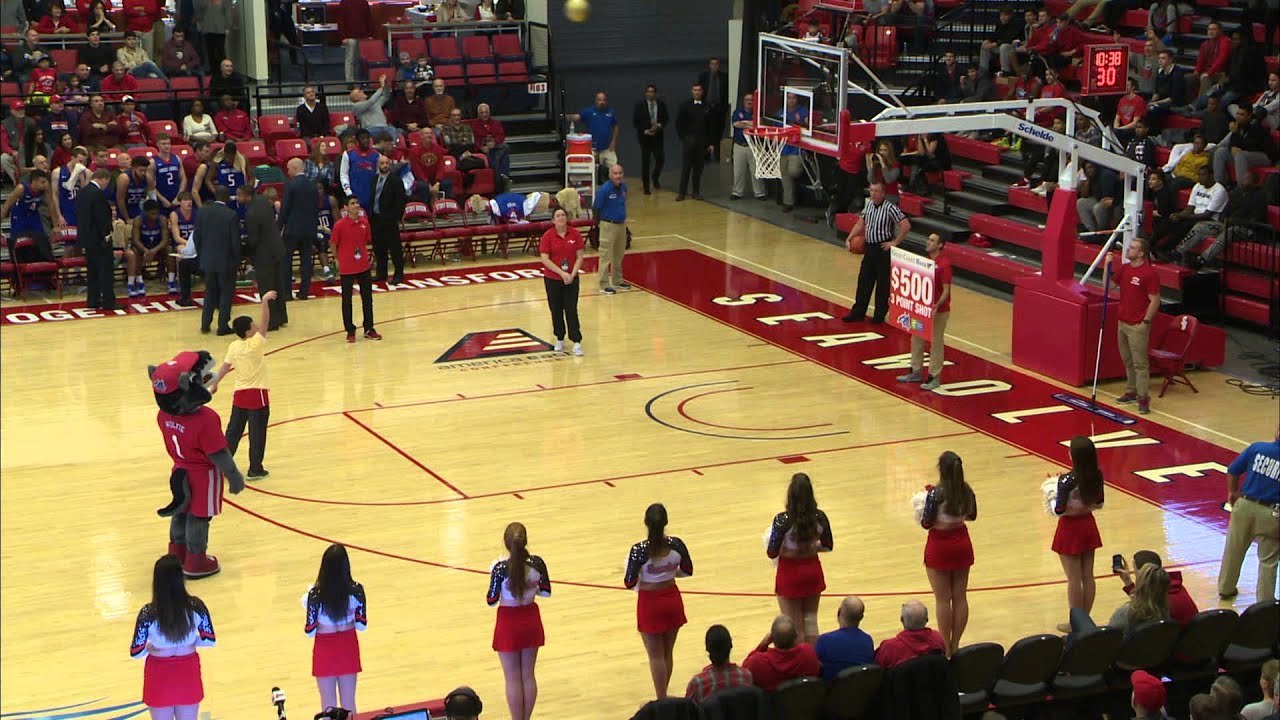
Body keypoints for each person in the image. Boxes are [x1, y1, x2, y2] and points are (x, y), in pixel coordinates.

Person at [130, 555, 217, 718]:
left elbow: (136, 652)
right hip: (188, 672)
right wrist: (191, 642)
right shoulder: (196, 606)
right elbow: (210, 640)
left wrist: (151, 648)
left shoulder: (148, 613)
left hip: (159, 675)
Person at [207, 290, 278, 480]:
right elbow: (265, 322)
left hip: (239, 395)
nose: (256, 325)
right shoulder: (255, 344)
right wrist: (264, 301)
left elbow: (224, 367)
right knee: (257, 434)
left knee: (233, 432)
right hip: (257, 394)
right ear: (248, 331)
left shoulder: (234, 346)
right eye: (252, 325)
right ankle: (255, 469)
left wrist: (215, 384)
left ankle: (221, 466)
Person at [624, 503, 693, 699]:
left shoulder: (639, 550)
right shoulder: (676, 544)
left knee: (655, 656)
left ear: (646, 523)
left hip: (650, 602)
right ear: (666, 523)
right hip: (672, 598)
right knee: (667, 652)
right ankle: (663, 695)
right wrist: (667, 572)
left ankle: (661, 698)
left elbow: (630, 581)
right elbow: (687, 570)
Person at [488, 522, 550, 720]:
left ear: (506, 544)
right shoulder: (537, 563)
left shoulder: (500, 569)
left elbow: (491, 600)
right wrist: (532, 590)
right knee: (528, 675)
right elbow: (546, 592)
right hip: (530, 618)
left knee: (513, 678)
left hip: (508, 621)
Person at [917, 450, 976, 655]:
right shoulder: (966, 490)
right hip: (961, 542)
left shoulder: (936, 494)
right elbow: (973, 515)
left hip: (940, 546)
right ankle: (956, 643)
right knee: (960, 597)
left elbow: (926, 522)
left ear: (941, 470)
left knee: (943, 599)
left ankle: (945, 646)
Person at [766, 473, 834, 645]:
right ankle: (813, 664)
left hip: (790, 574)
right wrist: (811, 548)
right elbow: (828, 545)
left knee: (795, 627)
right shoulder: (819, 517)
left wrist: (789, 550)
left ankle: (801, 666)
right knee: (811, 623)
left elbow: (772, 552)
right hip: (812, 570)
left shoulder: (783, 521)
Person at [303, 544, 367, 718]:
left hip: (325, 648)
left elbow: (309, 631)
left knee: (328, 705)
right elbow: (362, 626)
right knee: (349, 703)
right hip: (348, 646)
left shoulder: (315, 595)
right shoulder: (357, 590)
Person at [1218, 426, 1279, 602]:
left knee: (1234, 549)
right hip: (1272, 513)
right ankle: (1265, 602)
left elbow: (1233, 470)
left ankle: (1226, 588)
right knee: (1269, 561)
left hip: (1244, 505)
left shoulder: (1257, 448)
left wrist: (1232, 491)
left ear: (1277, 433)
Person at [1052, 435, 1105, 632]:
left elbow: (1059, 509)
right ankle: (1086, 619)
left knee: (1074, 579)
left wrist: (1051, 495)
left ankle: (1076, 623)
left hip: (1070, 528)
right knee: (1087, 576)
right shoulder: (1097, 475)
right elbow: (1099, 503)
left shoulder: (1066, 480)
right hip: (1088, 525)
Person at [842, 182, 910, 325]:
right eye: (871, 190)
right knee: (864, 281)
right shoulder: (869, 206)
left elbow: (906, 225)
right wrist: (849, 238)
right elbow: (861, 223)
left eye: (876, 191)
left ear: (883, 193)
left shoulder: (890, 208)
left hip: (883, 249)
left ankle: (879, 316)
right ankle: (858, 312)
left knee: (882, 285)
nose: (873, 193)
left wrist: (895, 242)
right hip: (869, 248)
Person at [895, 233, 952, 389]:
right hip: (922, 310)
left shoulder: (944, 264)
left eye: (932, 240)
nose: (928, 242)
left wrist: (937, 306)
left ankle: (934, 376)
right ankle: (915, 370)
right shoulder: (924, 261)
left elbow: (947, 290)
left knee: (936, 342)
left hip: (939, 311)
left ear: (940, 245)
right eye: (929, 239)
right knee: (916, 338)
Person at [1115, 237, 1161, 414]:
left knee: (1140, 363)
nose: (1129, 249)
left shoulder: (1149, 273)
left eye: (1133, 248)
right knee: (1127, 360)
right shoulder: (1125, 269)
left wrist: (1146, 322)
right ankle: (1131, 390)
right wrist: (1106, 267)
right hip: (1122, 322)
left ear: (1141, 253)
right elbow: (1108, 286)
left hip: (1137, 325)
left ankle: (1143, 398)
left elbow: (1155, 300)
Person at [1070, 563, 1171, 640]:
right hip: (1152, 658)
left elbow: (1108, 636)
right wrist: (1128, 582)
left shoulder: (1126, 612)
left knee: (1077, 614)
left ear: (1141, 584)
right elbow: (1147, 599)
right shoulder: (1166, 610)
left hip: (1123, 662)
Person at [331, 195, 381, 342]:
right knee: (347, 300)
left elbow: (366, 240)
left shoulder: (365, 223)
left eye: (357, 203)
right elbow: (333, 243)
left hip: (363, 266)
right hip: (347, 267)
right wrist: (336, 259)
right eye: (352, 203)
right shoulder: (339, 225)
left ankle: (369, 328)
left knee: (367, 299)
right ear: (346, 208)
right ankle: (350, 331)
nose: (356, 205)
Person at [538, 207, 585, 355]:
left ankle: (576, 341)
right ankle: (559, 337)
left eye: (563, 215)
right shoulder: (548, 236)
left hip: (571, 279)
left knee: (571, 309)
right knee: (556, 309)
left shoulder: (575, 234)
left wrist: (571, 274)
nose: (561, 218)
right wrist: (561, 273)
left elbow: (580, 256)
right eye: (558, 216)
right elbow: (545, 258)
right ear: (553, 220)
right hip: (553, 279)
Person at [195, 185, 242, 335]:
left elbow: (197, 237)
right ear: (227, 197)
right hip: (226, 261)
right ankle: (222, 326)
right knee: (226, 293)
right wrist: (237, 259)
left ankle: (205, 324)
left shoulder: (202, 212)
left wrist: (202, 254)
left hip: (208, 259)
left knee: (210, 292)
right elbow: (235, 241)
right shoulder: (231, 214)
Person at [1115, 550, 1199, 625]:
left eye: (1135, 571)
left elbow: (1141, 605)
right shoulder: (1174, 586)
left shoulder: (1159, 599)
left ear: (1142, 573)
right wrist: (1128, 581)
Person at [742, 615, 821, 693]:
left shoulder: (757, 662)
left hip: (772, 705)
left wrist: (762, 645)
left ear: (771, 638)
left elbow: (744, 671)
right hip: (808, 703)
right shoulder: (808, 652)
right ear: (796, 636)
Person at [279, 158, 321, 299]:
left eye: (289, 169)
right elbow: (317, 208)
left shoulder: (291, 185)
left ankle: (286, 293)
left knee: (286, 260)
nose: (288, 172)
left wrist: (279, 227)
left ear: (295, 168)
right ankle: (304, 291)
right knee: (306, 261)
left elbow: (285, 209)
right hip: (309, 229)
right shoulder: (312, 185)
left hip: (292, 229)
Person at [76, 167, 117, 309]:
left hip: (87, 238)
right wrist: (106, 235)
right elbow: (101, 218)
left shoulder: (83, 192)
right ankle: (108, 301)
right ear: (104, 178)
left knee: (92, 270)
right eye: (107, 181)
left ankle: (92, 300)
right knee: (105, 270)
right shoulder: (97, 194)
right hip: (99, 239)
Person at [685, 625, 753, 703]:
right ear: (731, 646)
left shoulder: (697, 684)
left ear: (707, 649)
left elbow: (687, 713)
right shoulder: (745, 677)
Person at [368, 154, 408, 285]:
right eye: (382, 163)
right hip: (375, 219)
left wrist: (395, 217)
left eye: (386, 163)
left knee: (395, 248)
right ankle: (381, 273)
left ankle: (399, 274)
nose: (384, 165)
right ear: (378, 165)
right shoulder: (374, 179)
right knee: (379, 248)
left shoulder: (396, 181)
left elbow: (401, 202)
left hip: (389, 220)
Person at [815, 596, 874, 683]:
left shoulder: (825, 640)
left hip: (831, 693)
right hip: (859, 692)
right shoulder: (868, 641)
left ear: (838, 612)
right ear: (861, 617)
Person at [874, 600, 947, 670]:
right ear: (927, 620)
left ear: (902, 620)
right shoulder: (938, 639)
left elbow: (876, 670)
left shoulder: (889, 647)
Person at [1, 169, 53, 263]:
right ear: (34, 181)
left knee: (42, 240)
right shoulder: (21, 189)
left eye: (46, 182)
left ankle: (45, 268)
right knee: (17, 243)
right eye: (42, 182)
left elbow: (51, 205)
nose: (45, 184)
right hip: (19, 216)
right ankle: (16, 266)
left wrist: (57, 224)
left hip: (33, 215)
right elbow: (6, 206)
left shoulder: (46, 188)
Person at [593, 163, 629, 296]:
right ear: (610, 175)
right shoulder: (604, 190)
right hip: (608, 224)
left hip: (621, 224)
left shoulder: (624, 187)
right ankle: (604, 284)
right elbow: (596, 207)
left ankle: (617, 280)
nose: (618, 176)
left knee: (619, 254)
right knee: (605, 255)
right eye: (615, 173)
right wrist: (599, 224)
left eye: (620, 173)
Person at [675, 83, 713, 202]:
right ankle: (681, 192)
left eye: (699, 90)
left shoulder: (707, 106)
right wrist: (684, 138)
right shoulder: (685, 106)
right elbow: (679, 124)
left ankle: (696, 192)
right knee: (686, 167)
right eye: (695, 90)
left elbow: (711, 127)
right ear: (692, 91)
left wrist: (710, 143)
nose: (697, 92)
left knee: (698, 168)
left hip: (702, 142)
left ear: (702, 92)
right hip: (689, 141)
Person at [124, 199, 171, 297]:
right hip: (142, 246)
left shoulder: (162, 219)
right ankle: (139, 282)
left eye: (156, 213)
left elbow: (165, 239)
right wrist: (146, 250)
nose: (155, 216)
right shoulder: (138, 220)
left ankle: (171, 282)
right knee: (135, 252)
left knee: (169, 249)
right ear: (145, 212)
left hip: (157, 247)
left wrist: (153, 251)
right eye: (152, 214)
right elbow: (136, 240)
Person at [565, 91, 619, 173]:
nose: (602, 102)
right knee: (587, 169)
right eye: (599, 100)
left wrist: (613, 141)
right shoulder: (589, 112)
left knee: (615, 169)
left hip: (607, 148)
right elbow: (577, 117)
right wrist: (563, 116)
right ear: (596, 101)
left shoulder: (611, 112)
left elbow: (616, 126)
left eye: (604, 100)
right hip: (592, 149)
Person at [730, 93, 768, 202]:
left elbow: (760, 125)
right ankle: (737, 192)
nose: (749, 102)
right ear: (744, 101)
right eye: (747, 100)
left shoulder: (758, 113)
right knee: (738, 171)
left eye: (751, 100)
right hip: (739, 146)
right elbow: (736, 124)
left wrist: (745, 124)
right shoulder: (738, 112)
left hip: (754, 146)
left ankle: (759, 193)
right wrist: (751, 124)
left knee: (756, 171)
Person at [633, 84, 668, 195]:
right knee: (646, 161)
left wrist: (659, 125)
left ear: (656, 94)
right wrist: (645, 131)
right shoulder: (640, 105)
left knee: (660, 158)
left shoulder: (661, 104)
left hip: (657, 136)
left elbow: (666, 118)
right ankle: (646, 186)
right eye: (648, 91)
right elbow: (636, 122)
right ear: (646, 93)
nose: (650, 94)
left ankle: (655, 177)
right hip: (645, 137)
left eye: (652, 92)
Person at [777, 93, 808, 212]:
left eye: (793, 98)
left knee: (793, 172)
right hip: (783, 148)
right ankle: (788, 202)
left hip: (796, 148)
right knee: (784, 175)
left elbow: (808, 125)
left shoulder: (803, 111)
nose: (791, 100)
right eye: (789, 98)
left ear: (797, 99)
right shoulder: (780, 113)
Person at [170, 192, 200, 306]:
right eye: (185, 200)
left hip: (195, 243)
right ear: (179, 202)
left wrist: (193, 245)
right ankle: (180, 281)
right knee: (182, 250)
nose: (189, 202)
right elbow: (177, 237)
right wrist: (190, 245)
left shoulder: (197, 213)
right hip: (182, 242)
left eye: (190, 200)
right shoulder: (175, 214)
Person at [697, 58, 729, 162]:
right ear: (709, 65)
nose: (714, 66)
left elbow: (726, 94)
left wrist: (724, 108)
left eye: (716, 64)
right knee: (705, 132)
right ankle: (705, 156)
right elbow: (700, 91)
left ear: (719, 65)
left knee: (718, 133)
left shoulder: (724, 77)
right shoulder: (703, 77)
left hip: (719, 109)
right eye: (712, 64)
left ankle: (717, 156)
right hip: (706, 108)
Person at [340, 129, 381, 212]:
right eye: (363, 138)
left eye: (367, 138)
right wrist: (349, 193)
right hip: (355, 195)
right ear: (357, 140)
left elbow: (379, 175)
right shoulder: (348, 154)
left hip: (372, 196)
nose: (365, 140)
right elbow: (343, 174)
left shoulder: (377, 155)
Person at [469, 102, 509, 178]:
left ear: (489, 113)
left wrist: (494, 142)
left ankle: (503, 177)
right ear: (478, 114)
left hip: (495, 146)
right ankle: (504, 177)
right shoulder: (473, 125)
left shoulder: (496, 123)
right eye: (482, 112)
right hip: (482, 149)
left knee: (505, 147)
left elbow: (501, 136)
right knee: (504, 155)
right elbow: (473, 139)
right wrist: (481, 147)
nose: (484, 114)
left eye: (486, 112)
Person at [350, 75, 394, 141]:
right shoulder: (356, 106)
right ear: (355, 98)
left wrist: (385, 85)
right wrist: (381, 87)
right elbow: (371, 101)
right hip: (371, 129)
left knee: (393, 130)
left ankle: (392, 146)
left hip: (384, 127)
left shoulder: (375, 103)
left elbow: (386, 96)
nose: (362, 91)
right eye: (359, 91)